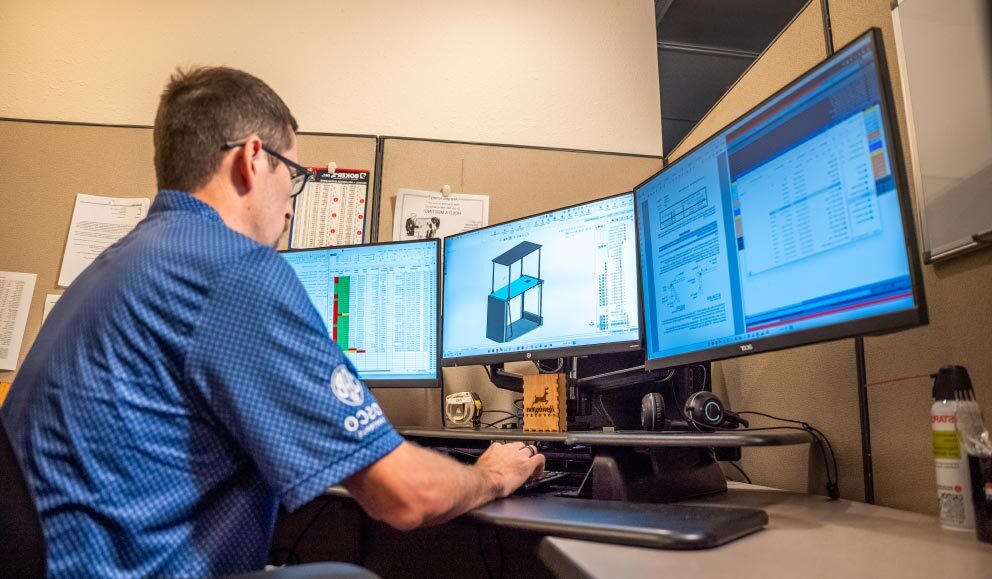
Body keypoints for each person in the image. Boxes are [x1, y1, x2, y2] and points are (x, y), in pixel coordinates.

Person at [0, 67, 544, 577]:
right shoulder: (233, 268)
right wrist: (492, 474)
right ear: (254, 159)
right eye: (296, 174)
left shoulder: (123, 260)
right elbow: (404, 496)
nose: (290, 203)